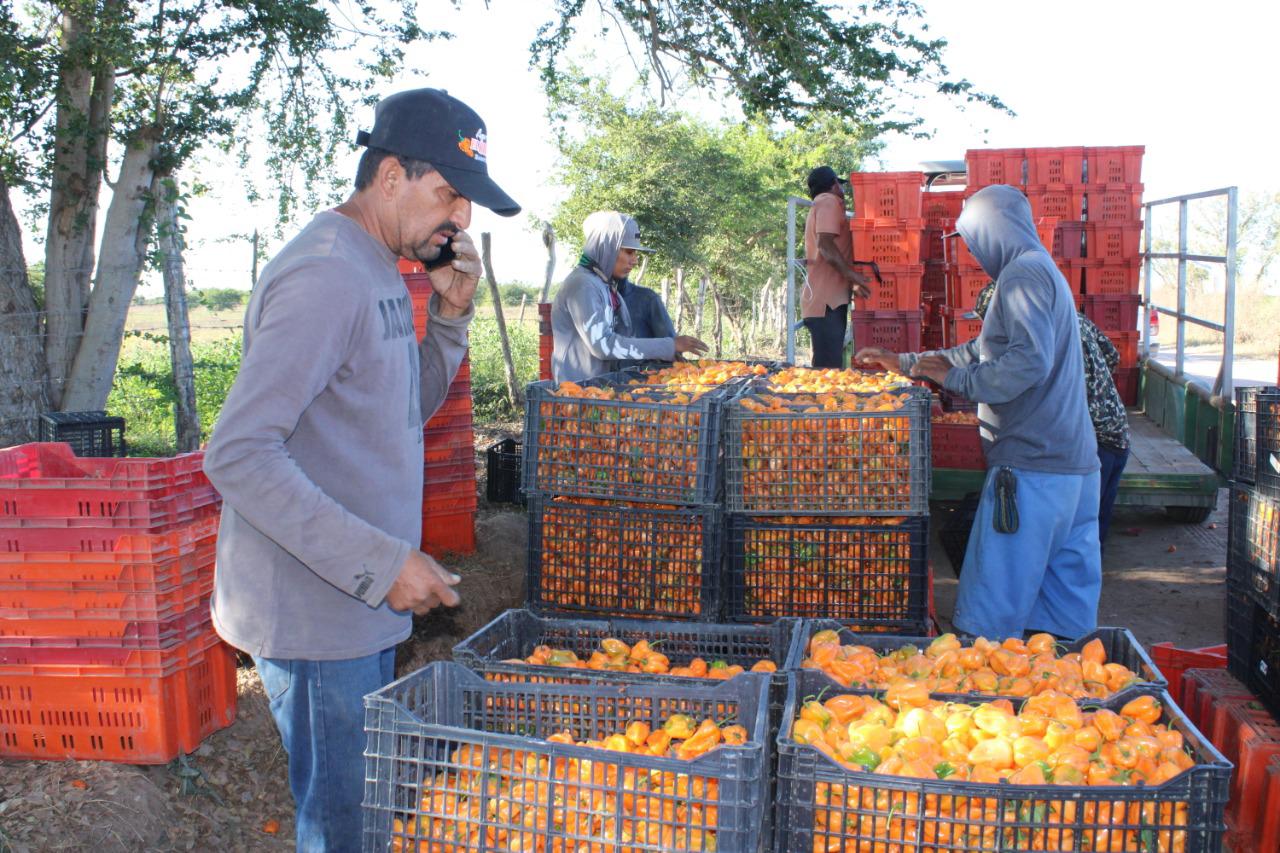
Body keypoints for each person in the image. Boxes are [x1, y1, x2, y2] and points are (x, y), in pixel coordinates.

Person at [203, 88, 520, 852]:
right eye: (448, 194)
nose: (461, 220)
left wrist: (449, 316)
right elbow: (238, 452)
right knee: (344, 827)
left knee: (366, 812)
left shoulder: (381, 265)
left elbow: (400, 406)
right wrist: (379, 563)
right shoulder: (325, 274)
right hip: (317, 615)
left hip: (359, 600)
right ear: (388, 177)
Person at [856, 184, 1101, 641]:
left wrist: (958, 382)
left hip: (1032, 468)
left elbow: (1029, 361)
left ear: (992, 232)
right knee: (1059, 624)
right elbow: (985, 349)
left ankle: (983, 704)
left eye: (972, 241)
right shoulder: (1042, 269)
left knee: (989, 619)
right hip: (1075, 469)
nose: (971, 254)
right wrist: (911, 363)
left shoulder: (1021, 276)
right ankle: (1061, 697)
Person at [974, 282, 1132, 546]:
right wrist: (1097, 385)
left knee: (1072, 534)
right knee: (1092, 528)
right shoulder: (1073, 318)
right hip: (1117, 432)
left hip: (1089, 442)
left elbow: (1027, 384)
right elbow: (1112, 356)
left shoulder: (1037, 336)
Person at [550, 211, 706, 382]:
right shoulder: (583, 285)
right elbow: (603, 345)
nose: (635, 260)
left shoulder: (602, 284)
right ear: (607, 247)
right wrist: (670, 344)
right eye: (629, 252)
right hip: (577, 396)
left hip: (598, 391)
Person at [802, 165, 870, 368]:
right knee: (826, 371)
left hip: (827, 302)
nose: (843, 191)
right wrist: (852, 276)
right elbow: (825, 245)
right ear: (833, 185)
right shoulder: (828, 202)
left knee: (828, 367)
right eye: (840, 185)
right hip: (826, 304)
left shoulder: (823, 204)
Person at [615, 276, 677, 370]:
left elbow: (673, 352)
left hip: (642, 381)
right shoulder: (589, 297)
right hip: (593, 381)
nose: (634, 261)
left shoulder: (647, 299)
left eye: (637, 259)